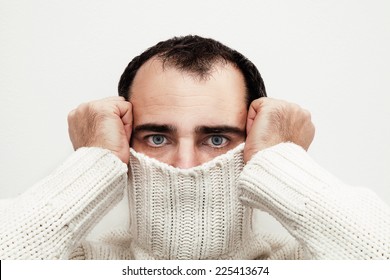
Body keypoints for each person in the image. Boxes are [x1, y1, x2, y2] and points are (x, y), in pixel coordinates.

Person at [0, 35, 389, 260]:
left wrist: (283, 161)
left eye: (217, 139)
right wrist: (92, 165)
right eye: (157, 138)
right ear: (123, 139)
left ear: (255, 145)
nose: (185, 166)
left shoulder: (313, 264)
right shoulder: (72, 264)